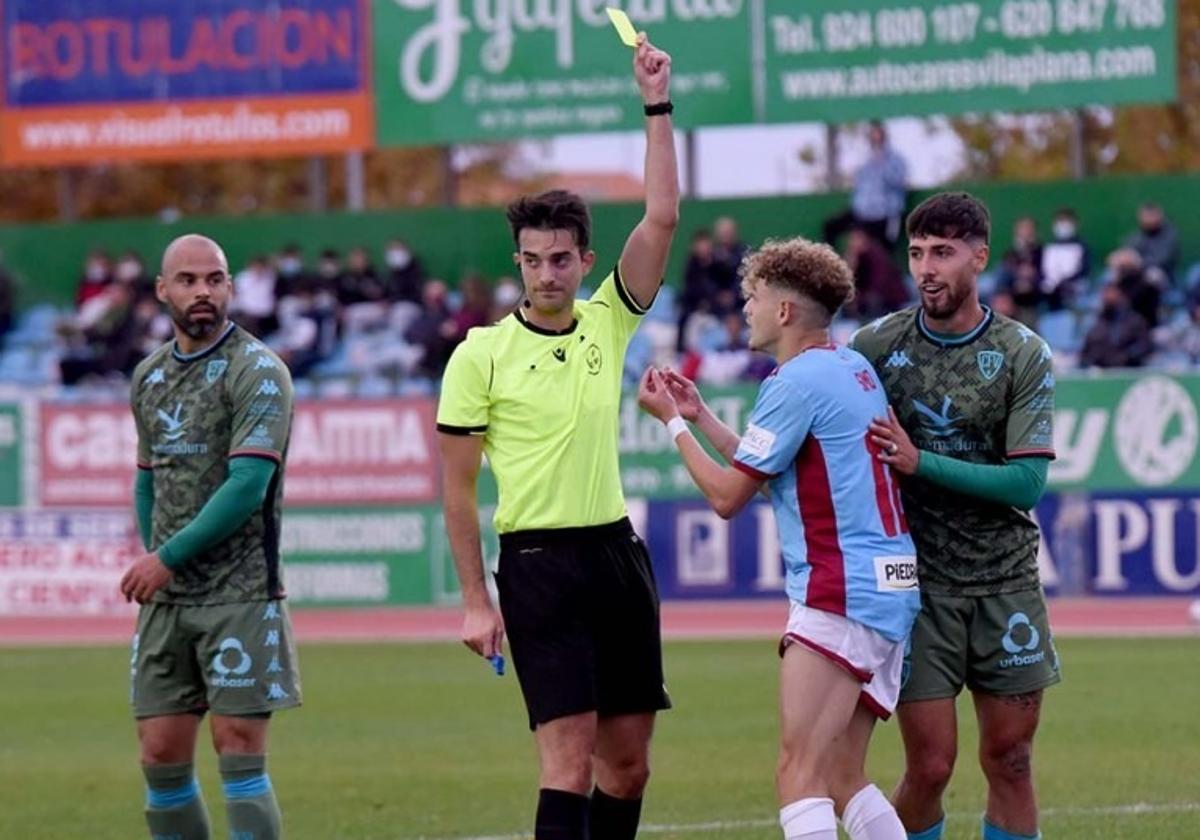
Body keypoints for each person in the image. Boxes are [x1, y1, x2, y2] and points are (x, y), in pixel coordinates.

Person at [436, 33, 678, 840]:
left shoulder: (608, 321)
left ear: (585, 262)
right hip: (538, 566)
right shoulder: (480, 353)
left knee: (631, 764)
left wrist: (655, 104)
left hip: (615, 555)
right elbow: (457, 487)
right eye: (533, 259)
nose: (546, 273)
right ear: (518, 261)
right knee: (566, 764)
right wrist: (477, 601)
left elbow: (664, 215)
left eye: (561, 259)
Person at [637, 237, 919, 840]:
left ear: (785, 311)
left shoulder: (792, 382)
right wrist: (705, 416)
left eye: (754, 297)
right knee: (842, 773)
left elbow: (726, 498)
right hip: (891, 587)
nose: (745, 309)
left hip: (840, 591)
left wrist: (674, 425)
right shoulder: (850, 367)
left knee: (799, 772)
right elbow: (781, 479)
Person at [850, 193, 1060, 840]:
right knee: (930, 766)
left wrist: (920, 463)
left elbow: (1026, 483)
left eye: (942, 252)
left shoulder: (1023, 353)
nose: (926, 268)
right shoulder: (876, 346)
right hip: (920, 590)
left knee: (1012, 760)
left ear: (979, 257)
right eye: (916, 253)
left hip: (1006, 584)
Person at [120, 233, 301, 840]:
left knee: (239, 747)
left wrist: (164, 559)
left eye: (215, 279)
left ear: (230, 287)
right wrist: (155, 557)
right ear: (162, 290)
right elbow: (148, 479)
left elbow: (247, 484)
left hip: (241, 594)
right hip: (169, 600)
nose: (203, 291)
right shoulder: (148, 377)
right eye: (189, 280)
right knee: (159, 756)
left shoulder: (259, 372)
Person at [823, 121, 908, 250]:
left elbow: (899, 183)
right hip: (861, 213)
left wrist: (882, 164)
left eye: (878, 134)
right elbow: (858, 186)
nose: (875, 138)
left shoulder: (896, 159)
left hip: (884, 215)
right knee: (831, 226)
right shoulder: (864, 159)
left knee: (882, 249)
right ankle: (830, 265)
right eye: (872, 135)